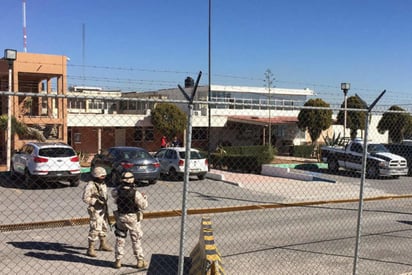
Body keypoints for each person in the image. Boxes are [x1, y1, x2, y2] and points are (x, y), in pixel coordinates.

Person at [112, 172, 149, 269]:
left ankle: (118, 260)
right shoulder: (135, 193)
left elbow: (114, 196)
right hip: (132, 218)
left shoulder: (116, 191)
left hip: (121, 217)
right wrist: (144, 198)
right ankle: (140, 260)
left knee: (120, 239)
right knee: (136, 240)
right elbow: (144, 206)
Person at [82, 166, 113, 257]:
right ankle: (90, 248)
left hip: (103, 209)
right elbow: (85, 198)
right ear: (96, 176)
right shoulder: (90, 185)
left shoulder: (103, 184)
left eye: (104, 176)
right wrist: (95, 201)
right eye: (102, 176)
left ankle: (103, 244)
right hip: (95, 209)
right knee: (95, 228)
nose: (104, 177)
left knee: (103, 226)